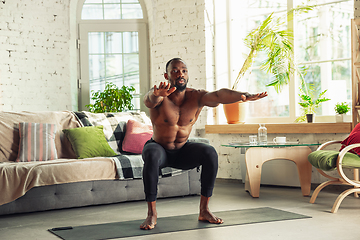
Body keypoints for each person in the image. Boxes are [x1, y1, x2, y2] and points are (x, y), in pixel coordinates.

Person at [140, 58, 267, 230]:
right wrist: (156, 94)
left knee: (209, 152)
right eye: (175, 70)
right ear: (166, 75)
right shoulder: (159, 95)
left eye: (184, 70)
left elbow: (219, 95)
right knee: (152, 153)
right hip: (159, 149)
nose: (180, 74)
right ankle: (151, 214)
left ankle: (204, 210)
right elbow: (148, 100)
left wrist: (243, 96)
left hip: (182, 150)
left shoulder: (196, 97)